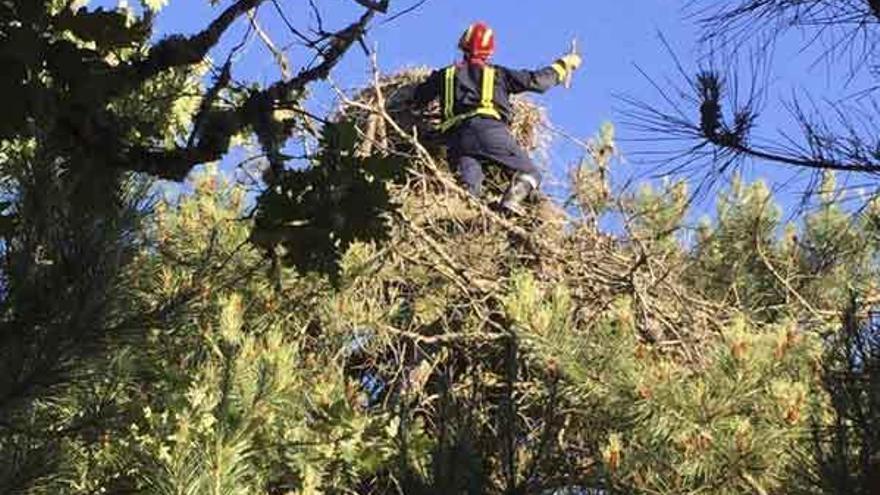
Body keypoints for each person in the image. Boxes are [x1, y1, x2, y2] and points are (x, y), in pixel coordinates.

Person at [411, 21, 582, 213]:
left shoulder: (445, 75)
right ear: (489, 52)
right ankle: (510, 203)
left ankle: (471, 226)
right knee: (530, 173)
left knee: (469, 194)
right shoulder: (498, 74)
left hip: (456, 140)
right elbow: (537, 82)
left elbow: (417, 99)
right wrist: (563, 65)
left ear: (463, 46)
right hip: (489, 131)